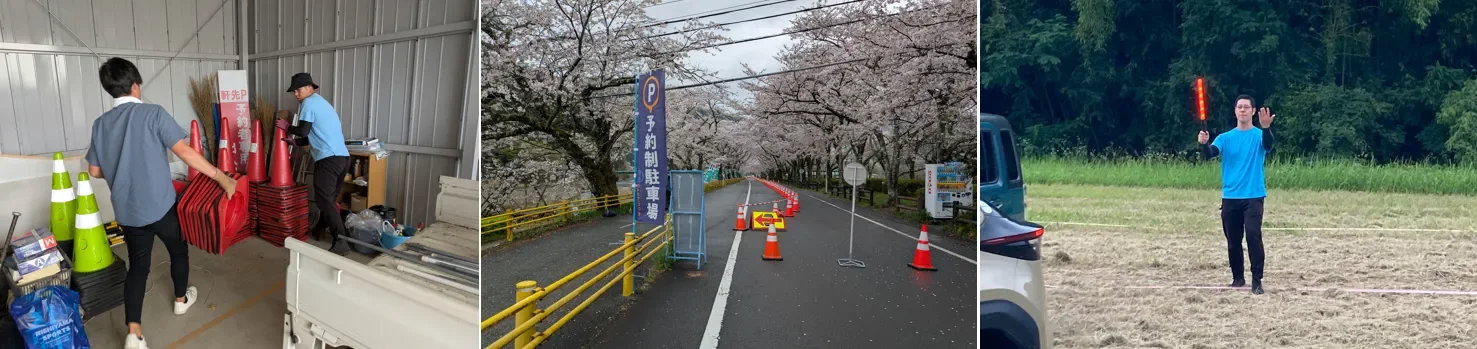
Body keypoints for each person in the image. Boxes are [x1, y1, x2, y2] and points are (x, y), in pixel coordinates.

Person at [88, 57, 238, 349]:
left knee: (138, 267)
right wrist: (222, 178)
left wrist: (120, 170)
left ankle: (134, 333)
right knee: (178, 251)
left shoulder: (100, 124)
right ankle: (181, 300)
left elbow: (94, 171)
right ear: (135, 85)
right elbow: (187, 153)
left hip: (128, 212)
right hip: (161, 206)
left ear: (110, 90)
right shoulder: (153, 114)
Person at [1198, 94, 1276, 295]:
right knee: (1233, 240)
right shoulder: (1225, 138)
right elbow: (1210, 154)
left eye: (1246, 107)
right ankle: (1238, 278)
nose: (1242, 110)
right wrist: (1203, 144)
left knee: (1253, 235)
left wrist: (1266, 127)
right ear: (1235, 111)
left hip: (1253, 196)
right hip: (1230, 197)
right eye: (1239, 107)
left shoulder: (1259, 135)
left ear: (1252, 111)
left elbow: (1269, 145)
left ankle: (1257, 280)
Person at [280, 72, 352, 255]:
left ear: (310, 88)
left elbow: (303, 130)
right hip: (342, 158)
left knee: (324, 200)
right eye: (294, 91)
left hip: (328, 160)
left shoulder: (308, 103)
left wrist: (286, 126)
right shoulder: (321, 103)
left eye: (298, 90)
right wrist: (295, 143)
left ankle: (341, 240)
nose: (296, 94)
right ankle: (320, 229)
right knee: (328, 200)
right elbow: (315, 134)